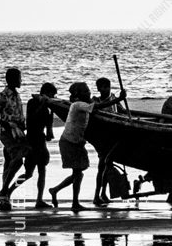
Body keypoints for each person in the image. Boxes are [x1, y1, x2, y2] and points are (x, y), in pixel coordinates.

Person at [48, 82, 126, 212]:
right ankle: (73, 202)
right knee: (78, 173)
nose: (89, 93)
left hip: (77, 142)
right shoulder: (78, 105)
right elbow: (97, 107)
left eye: (89, 90)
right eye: (86, 91)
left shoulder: (84, 104)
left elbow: (96, 106)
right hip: (69, 142)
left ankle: (56, 190)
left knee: (79, 172)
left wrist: (116, 101)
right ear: (79, 94)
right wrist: (118, 99)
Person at [6, 83, 57, 208]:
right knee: (28, 173)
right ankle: (8, 192)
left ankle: (39, 199)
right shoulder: (32, 102)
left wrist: (49, 131)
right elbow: (32, 118)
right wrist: (43, 104)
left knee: (42, 170)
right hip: (32, 139)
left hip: (41, 139)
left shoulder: (48, 107)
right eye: (52, 94)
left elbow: (48, 123)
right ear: (45, 92)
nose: (53, 97)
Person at [0, 68, 27, 210]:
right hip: (7, 133)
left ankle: (4, 199)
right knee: (17, 161)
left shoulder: (16, 95)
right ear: (12, 80)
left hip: (18, 133)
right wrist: (3, 123)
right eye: (19, 78)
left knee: (8, 163)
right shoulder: (3, 96)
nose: (21, 80)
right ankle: (4, 191)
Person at [92, 77, 123, 206]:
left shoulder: (113, 98)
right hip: (102, 139)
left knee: (108, 166)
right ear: (98, 89)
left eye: (107, 87)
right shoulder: (95, 101)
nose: (105, 89)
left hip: (113, 137)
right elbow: (97, 109)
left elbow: (121, 111)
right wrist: (118, 99)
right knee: (101, 167)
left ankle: (104, 193)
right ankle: (96, 195)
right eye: (102, 87)